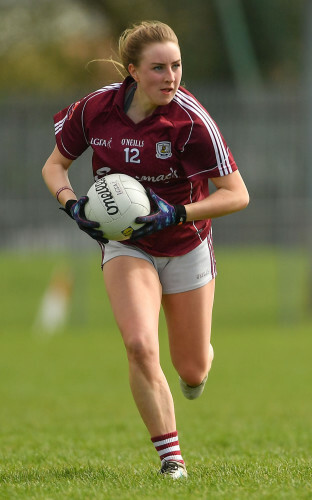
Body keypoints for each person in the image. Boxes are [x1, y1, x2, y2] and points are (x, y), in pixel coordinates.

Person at [42, 20, 249, 479]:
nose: (171, 77)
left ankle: (197, 365)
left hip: (185, 243)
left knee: (192, 370)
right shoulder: (96, 109)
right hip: (127, 246)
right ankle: (171, 461)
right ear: (132, 71)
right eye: (158, 68)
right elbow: (55, 166)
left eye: (176, 66)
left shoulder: (191, 120)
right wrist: (72, 205)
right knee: (138, 344)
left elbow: (237, 194)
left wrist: (176, 214)